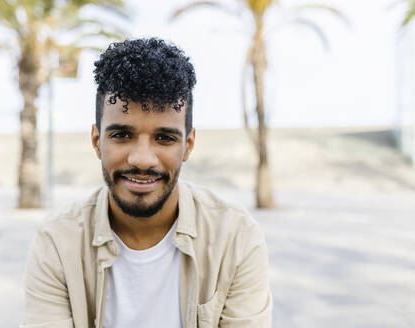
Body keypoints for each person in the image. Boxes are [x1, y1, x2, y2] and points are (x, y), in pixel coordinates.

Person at [21, 38, 272, 328]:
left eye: (164, 138)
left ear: (188, 145)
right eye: (122, 135)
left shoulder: (235, 237)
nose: (142, 159)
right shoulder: (58, 243)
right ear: (96, 141)